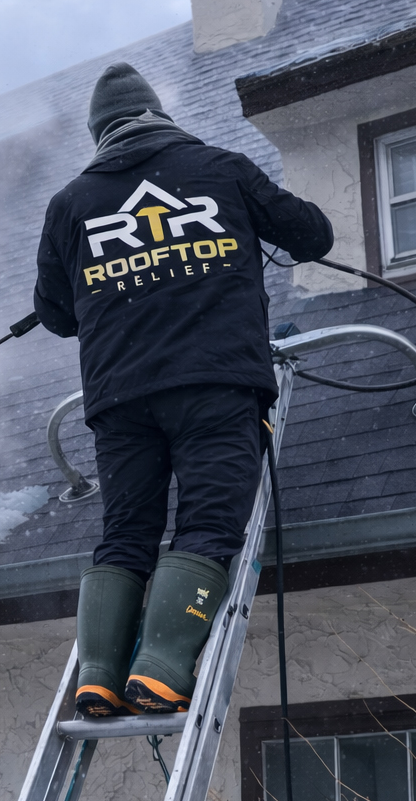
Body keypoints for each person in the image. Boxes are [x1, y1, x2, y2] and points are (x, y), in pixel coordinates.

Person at [33, 62, 333, 717]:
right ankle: (163, 668)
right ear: (160, 116)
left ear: (99, 134)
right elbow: (313, 235)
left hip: (119, 403)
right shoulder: (222, 171)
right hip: (214, 385)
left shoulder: (71, 205)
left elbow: (56, 315)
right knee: (207, 519)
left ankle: (99, 676)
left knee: (126, 532)